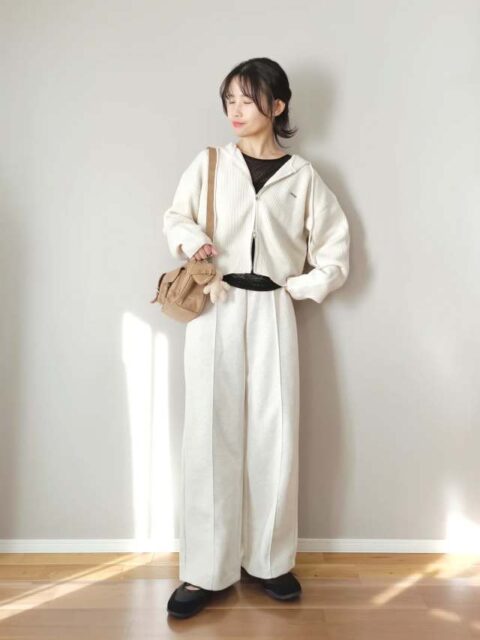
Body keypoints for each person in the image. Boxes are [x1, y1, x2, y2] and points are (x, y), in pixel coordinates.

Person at [163, 57, 350, 618]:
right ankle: (205, 571)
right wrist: (191, 240)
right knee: (208, 433)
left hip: (273, 308)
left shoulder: (304, 176)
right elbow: (175, 216)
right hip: (215, 304)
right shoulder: (211, 163)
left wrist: (300, 286)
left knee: (275, 432)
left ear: (277, 104)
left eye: (247, 99)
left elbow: (335, 250)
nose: (236, 111)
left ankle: (269, 561)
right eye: (230, 100)